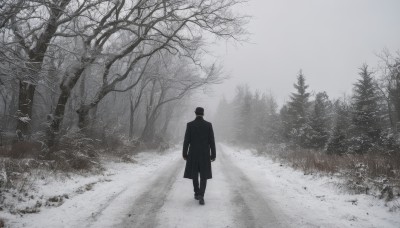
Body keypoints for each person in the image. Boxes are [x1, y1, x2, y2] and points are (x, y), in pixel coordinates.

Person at [182, 107, 216, 205]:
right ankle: (201, 195)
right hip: (205, 154)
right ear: (203, 114)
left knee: (194, 174)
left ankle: (196, 193)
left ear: (195, 113)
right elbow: (212, 141)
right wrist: (213, 154)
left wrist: (184, 153)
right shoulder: (208, 125)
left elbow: (186, 141)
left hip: (193, 154)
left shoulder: (190, 125)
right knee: (204, 175)